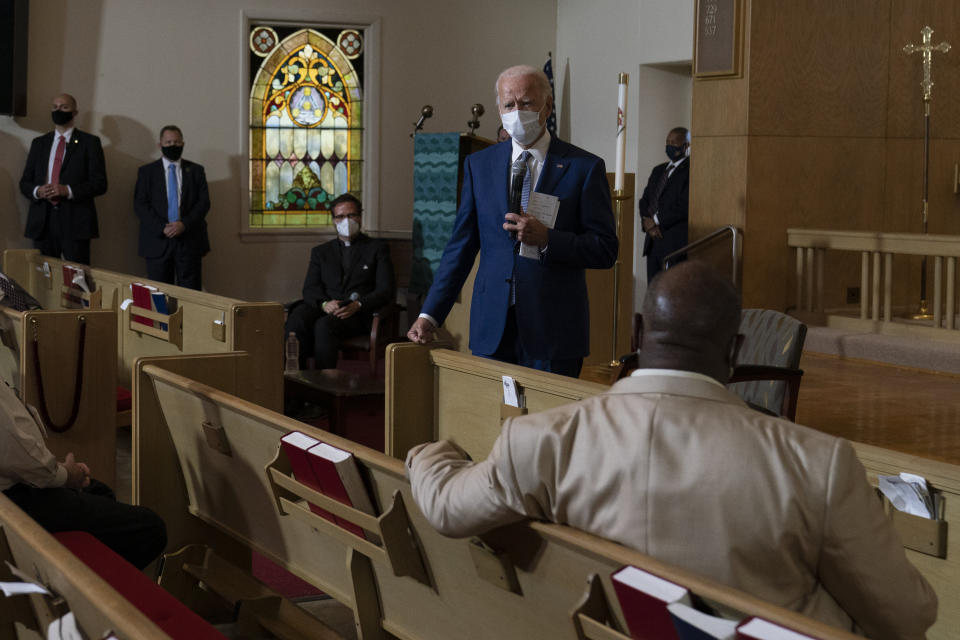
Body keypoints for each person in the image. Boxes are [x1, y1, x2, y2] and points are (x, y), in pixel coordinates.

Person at [406, 261, 937, 640]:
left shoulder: (541, 440)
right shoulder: (816, 464)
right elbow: (907, 617)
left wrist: (431, 453)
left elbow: (448, 508)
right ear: (734, 352)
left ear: (638, 333)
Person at [407, 65, 618, 378]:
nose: (517, 112)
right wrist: (431, 313)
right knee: (491, 422)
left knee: (549, 424)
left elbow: (605, 249)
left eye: (527, 103)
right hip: (493, 326)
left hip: (554, 330)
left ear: (547, 107)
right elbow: (460, 248)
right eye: (509, 105)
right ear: (499, 109)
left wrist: (549, 239)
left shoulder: (583, 167)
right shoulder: (480, 165)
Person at [0, 380, 166, 570]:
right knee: (149, 528)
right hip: (12, 500)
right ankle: (88, 594)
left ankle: (89, 566)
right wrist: (66, 475)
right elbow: (13, 448)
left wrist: (57, 470)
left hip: (16, 479)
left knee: (98, 491)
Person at [285, 193, 395, 369]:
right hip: (328, 307)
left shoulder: (377, 249)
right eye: (340, 216)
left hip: (358, 314)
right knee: (297, 319)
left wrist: (357, 305)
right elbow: (310, 288)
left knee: (324, 325)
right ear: (333, 220)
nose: (346, 221)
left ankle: (323, 385)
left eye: (351, 215)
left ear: (359, 217)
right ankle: (296, 380)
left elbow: (385, 290)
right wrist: (324, 304)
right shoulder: (321, 252)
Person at [19, 93, 108, 265]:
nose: (58, 110)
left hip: (76, 223)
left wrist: (68, 190)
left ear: (75, 112)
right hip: (42, 223)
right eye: (55, 107)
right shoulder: (39, 143)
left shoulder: (90, 143)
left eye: (64, 107)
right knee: (43, 279)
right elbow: (25, 183)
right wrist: (38, 191)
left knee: (77, 279)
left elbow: (100, 184)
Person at [134, 125, 211, 290]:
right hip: (157, 241)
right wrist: (162, 228)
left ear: (183, 144)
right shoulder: (146, 172)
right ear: (159, 145)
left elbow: (203, 203)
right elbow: (140, 204)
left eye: (176, 142)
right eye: (168, 142)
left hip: (189, 240)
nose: (172, 145)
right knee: (159, 293)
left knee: (191, 293)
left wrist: (184, 224)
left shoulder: (196, 171)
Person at [638, 127, 689, 282]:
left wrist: (657, 221)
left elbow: (684, 204)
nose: (669, 145)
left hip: (674, 241)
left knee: (672, 292)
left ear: (685, 145)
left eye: (674, 142)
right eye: (667, 141)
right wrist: (648, 223)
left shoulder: (691, 170)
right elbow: (645, 200)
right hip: (653, 242)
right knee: (653, 291)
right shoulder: (658, 170)